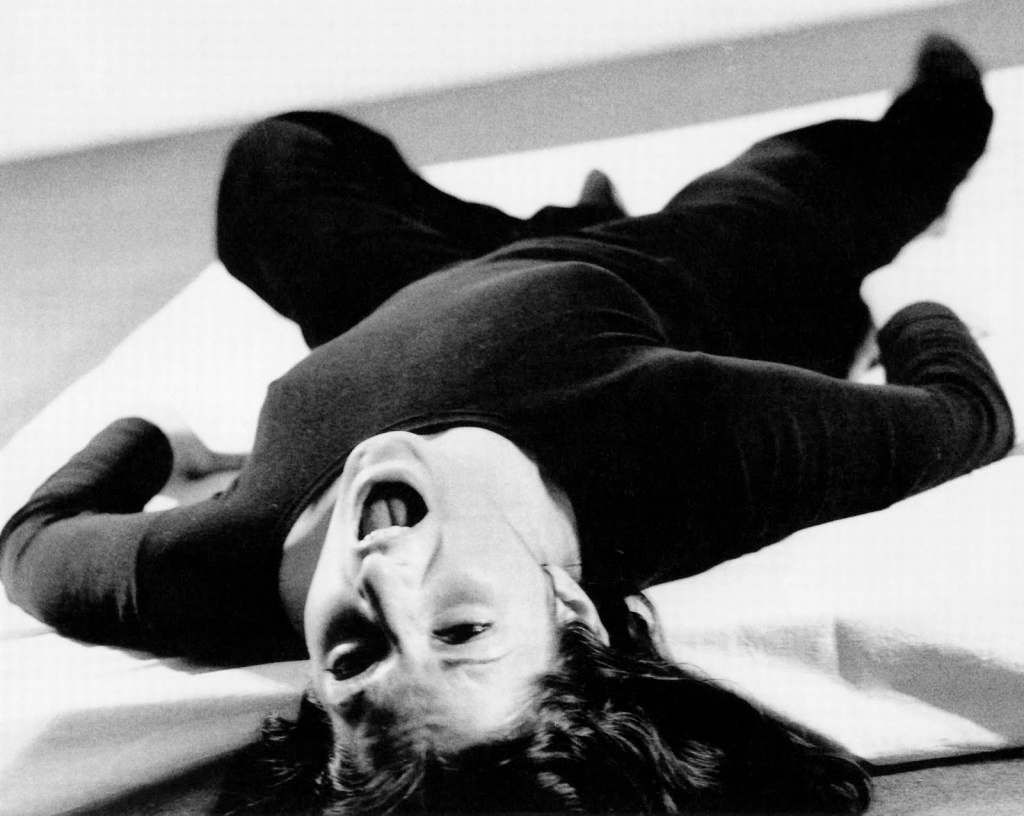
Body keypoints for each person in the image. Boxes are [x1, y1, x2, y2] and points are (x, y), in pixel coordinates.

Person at [0, 34, 1013, 815]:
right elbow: (969, 417)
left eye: (353, 658)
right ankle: (946, 95)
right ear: (571, 611)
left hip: (406, 291)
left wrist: (154, 438)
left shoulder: (222, 569)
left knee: (275, 165)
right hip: (685, 266)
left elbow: (32, 545)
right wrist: (906, 302)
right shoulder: (690, 450)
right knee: (819, 174)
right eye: (462, 630)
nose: (384, 575)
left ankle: (555, 221)